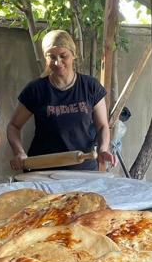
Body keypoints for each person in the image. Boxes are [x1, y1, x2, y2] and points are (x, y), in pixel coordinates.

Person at [7, 30, 116, 171]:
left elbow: (102, 126)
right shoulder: (36, 90)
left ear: (73, 55)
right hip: (43, 169)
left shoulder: (90, 86)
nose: (57, 62)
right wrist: (19, 152)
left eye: (63, 56)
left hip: (83, 169)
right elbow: (13, 126)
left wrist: (103, 149)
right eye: (51, 57)